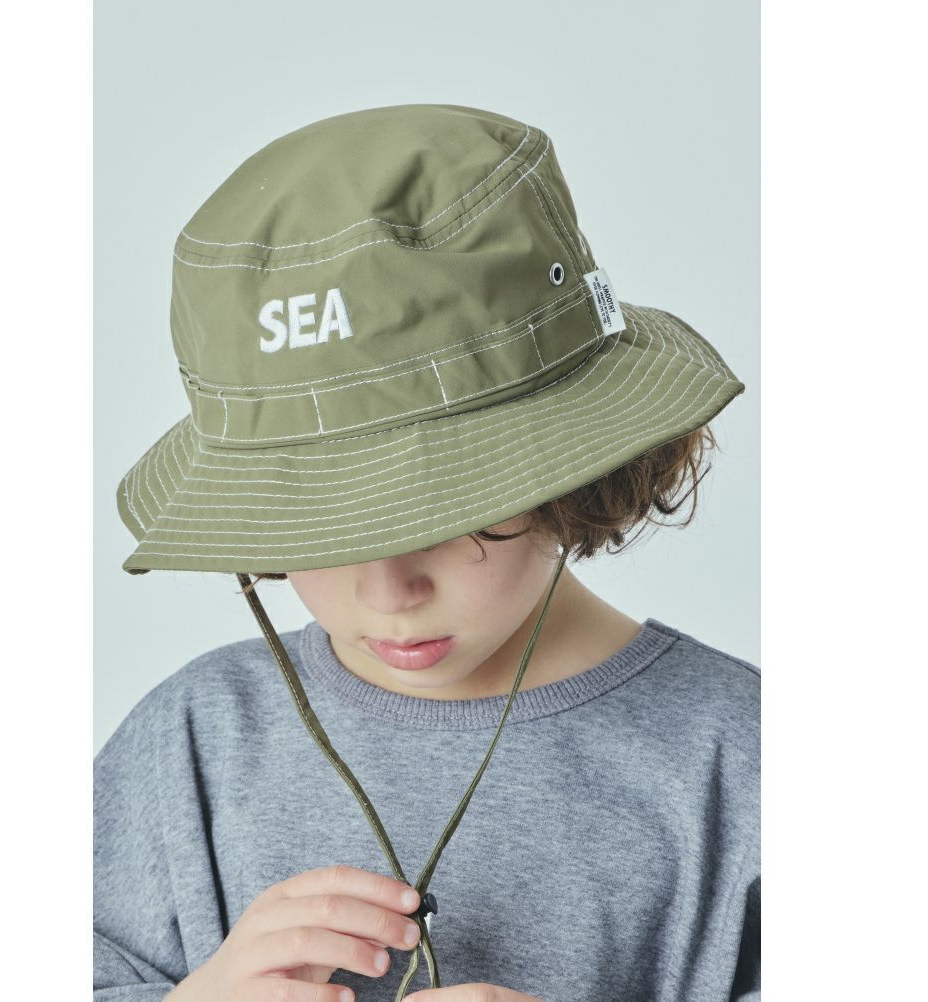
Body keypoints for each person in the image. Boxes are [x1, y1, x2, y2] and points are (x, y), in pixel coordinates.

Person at [95, 103, 759, 1002]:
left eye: (447, 510)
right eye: (315, 524)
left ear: (569, 467)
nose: (387, 590)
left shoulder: (744, 758)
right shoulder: (193, 742)